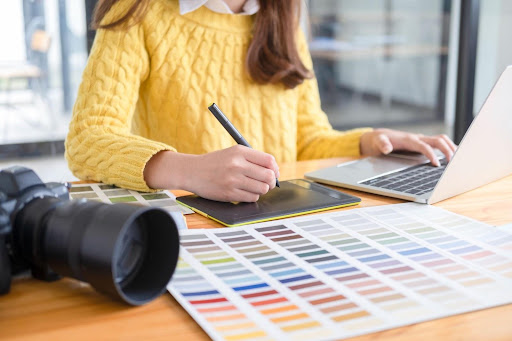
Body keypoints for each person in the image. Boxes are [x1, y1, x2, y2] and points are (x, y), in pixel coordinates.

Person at [65, 0, 457, 202]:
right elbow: (87, 139)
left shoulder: (281, 14)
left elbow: (305, 143)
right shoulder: (140, 11)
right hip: (189, 230)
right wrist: (189, 171)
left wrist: (367, 142)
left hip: (276, 222)